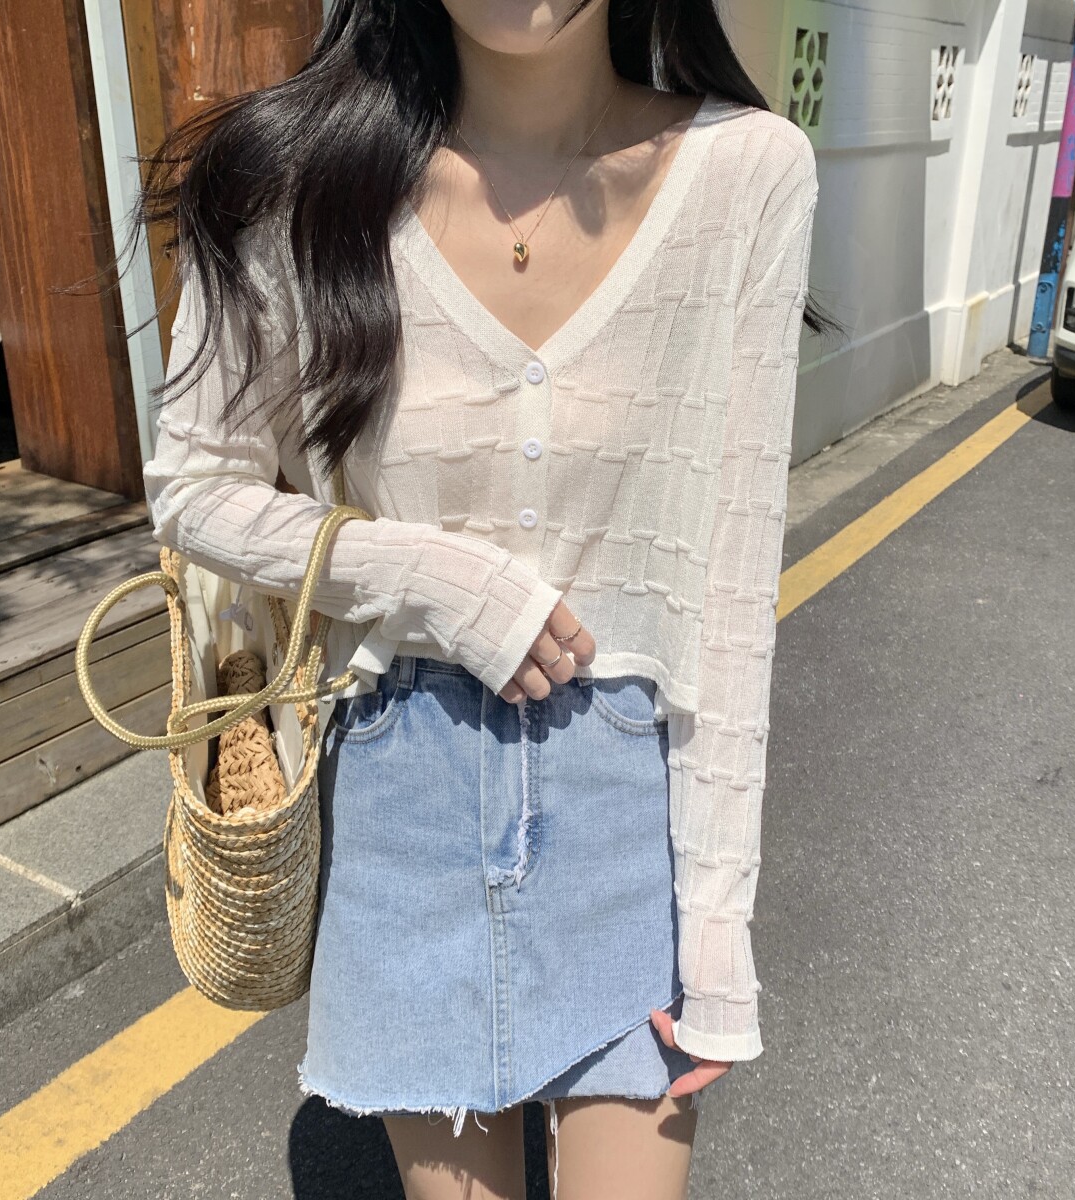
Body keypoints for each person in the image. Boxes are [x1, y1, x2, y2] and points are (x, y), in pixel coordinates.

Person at [135, 1, 833, 1196]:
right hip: (404, 785)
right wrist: (432, 580)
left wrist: (718, 933)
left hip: (628, 806)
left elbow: (726, 598)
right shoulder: (297, 182)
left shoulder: (747, 173)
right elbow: (195, 489)